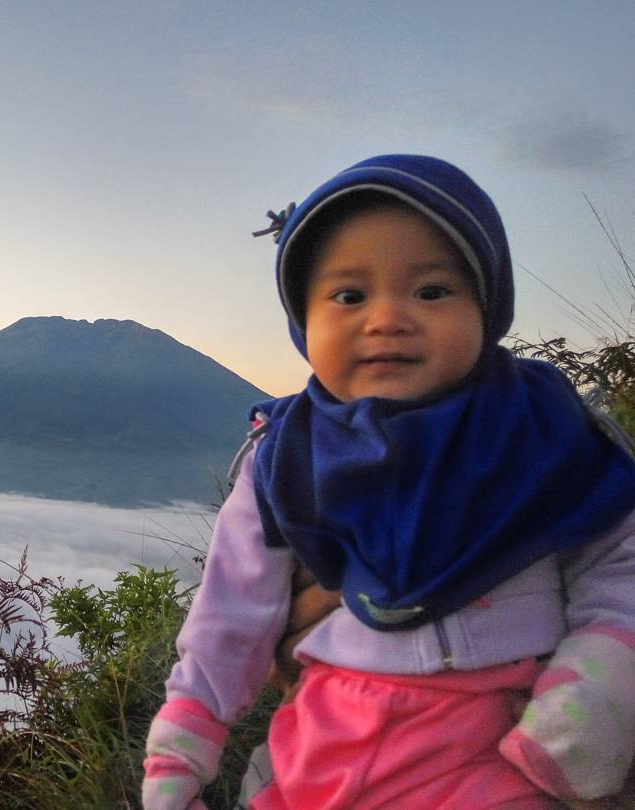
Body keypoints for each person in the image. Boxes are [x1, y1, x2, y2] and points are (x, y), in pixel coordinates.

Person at [141, 154, 635, 809]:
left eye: (431, 291)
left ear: (487, 307)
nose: (387, 318)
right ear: (302, 322)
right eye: (349, 295)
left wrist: (596, 684)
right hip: (322, 747)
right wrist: (181, 747)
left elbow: (618, 555)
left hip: (502, 743)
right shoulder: (287, 456)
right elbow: (229, 612)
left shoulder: (539, 429)